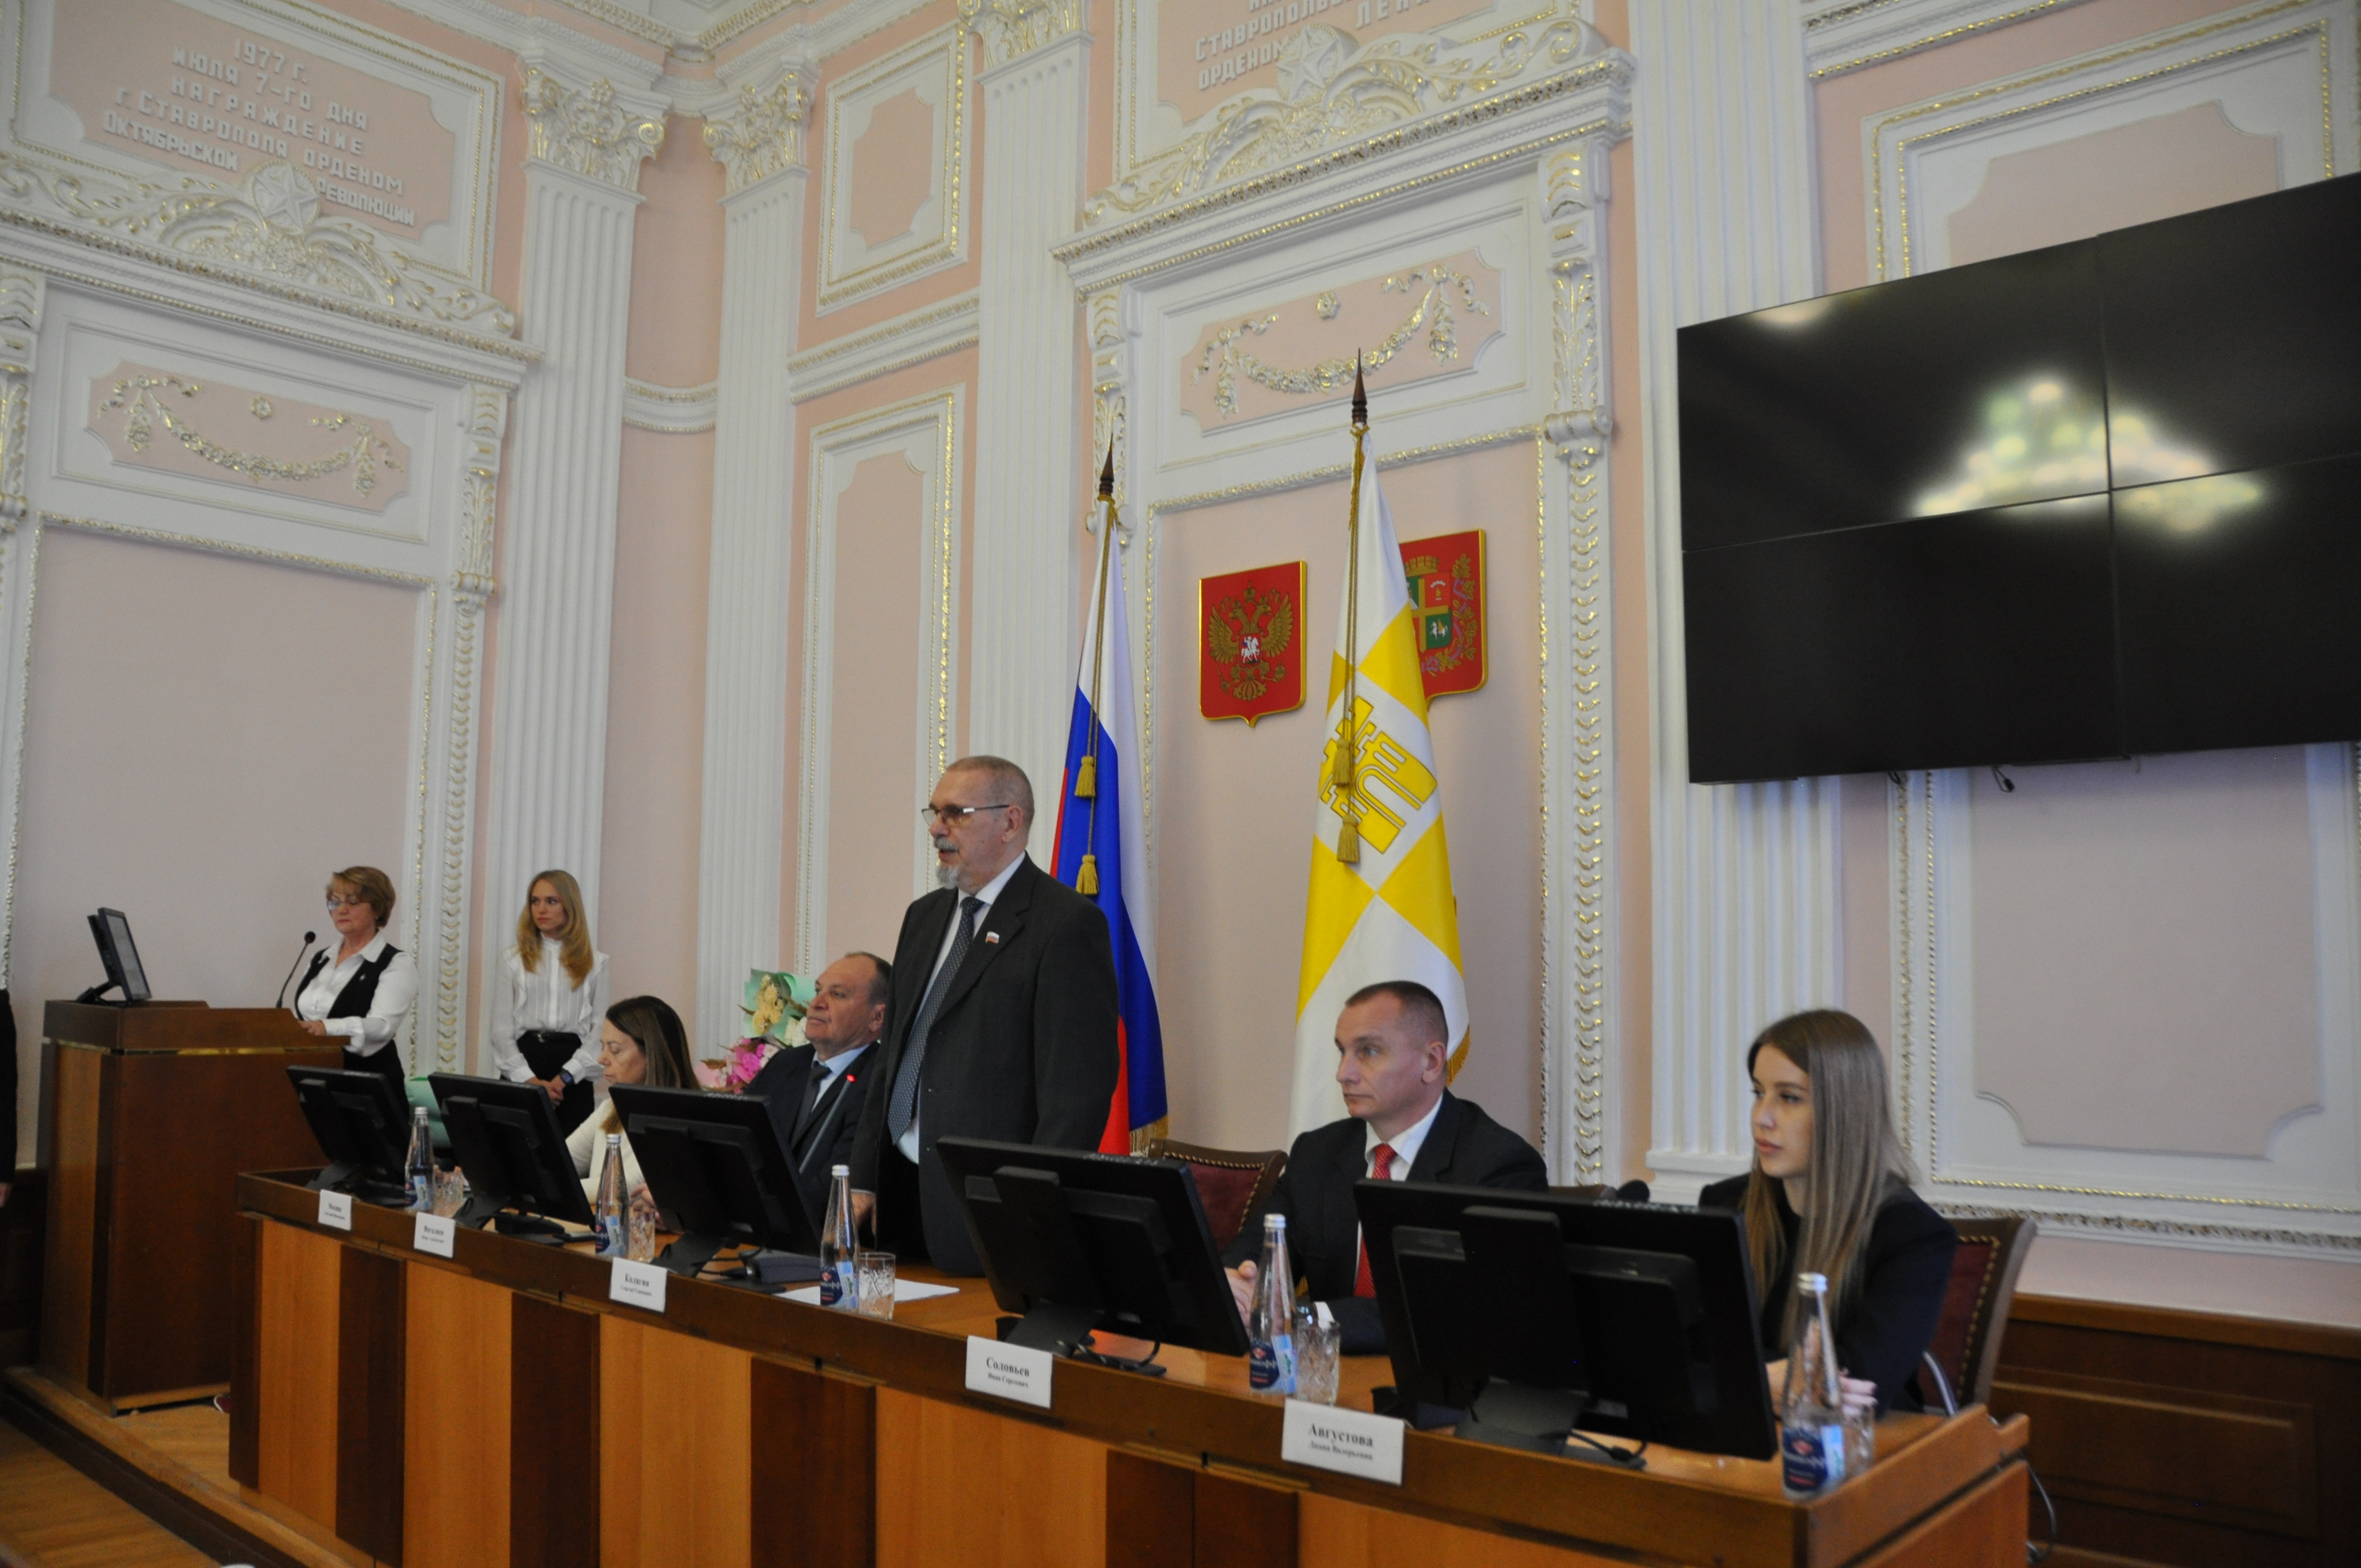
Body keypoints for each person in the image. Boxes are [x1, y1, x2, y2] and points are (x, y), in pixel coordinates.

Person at [848, 755, 1119, 1275]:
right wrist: (863, 1179)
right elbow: (893, 1059)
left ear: (1010, 822)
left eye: (955, 813)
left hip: (988, 1214)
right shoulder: (923, 917)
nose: (936, 828)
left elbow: (1075, 1098)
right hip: (898, 1198)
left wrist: (1029, 1213)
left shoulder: (1065, 924)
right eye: (934, 812)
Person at [1223, 980, 1548, 1354]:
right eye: (1343, 1051)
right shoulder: (1318, 1152)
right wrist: (1237, 1285)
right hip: (1327, 1375)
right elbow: (1253, 1255)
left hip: (1439, 1380)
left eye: (1369, 1051)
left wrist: (1301, 1318)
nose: (1343, 1073)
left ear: (1431, 1062)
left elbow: (1446, 1310)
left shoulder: (1498, 1167)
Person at [1700, 1009, 1957, 1415]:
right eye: (1758, 1093)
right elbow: (1693, 1352)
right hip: (1740, 1432)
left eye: (1789, 1097)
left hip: (1863, 1445)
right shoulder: (1726, 1205)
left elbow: (1857, 1384)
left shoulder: (1912, 1233)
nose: (1761, 1117)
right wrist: (1769, 1382)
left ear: (1844, 1111)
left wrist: (1736, 1379)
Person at [746, 952, 888, 1226]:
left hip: (817, 1236)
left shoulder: (879, 1082)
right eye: (818, 991)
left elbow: (836, 1185)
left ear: (877, 1017)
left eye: (838, 995)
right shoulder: (784, 1064)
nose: (817, 1004)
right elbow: (740, 1143)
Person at [488, 870, 610, 1136]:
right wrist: (529, 1080)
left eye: (551, 901)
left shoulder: (596, 963)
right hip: (524, 1062)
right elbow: (500, 1030)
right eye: (535, 901)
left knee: (570, 1152)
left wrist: (565, 1078)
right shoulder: (512, 960)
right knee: (517, 1148)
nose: (541, 909)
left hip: (573, 1069)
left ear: (569, 906)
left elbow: (600, 1030)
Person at [567, 995, 698, 1206]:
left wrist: (552, 1187)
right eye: (603, 1047)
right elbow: (559, 1163)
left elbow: (623, 1187)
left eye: (615, 1050)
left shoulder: (680, 1118)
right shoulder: (610, 1107)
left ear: (652, 1054)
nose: (602, 1059)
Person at [292, 867, 419, 1086]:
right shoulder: (320, 958)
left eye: (352, 902)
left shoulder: (396, 963)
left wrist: (326, 1028)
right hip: (314, 1079)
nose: (342, 910)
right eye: (335, 902)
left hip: (366, 1086)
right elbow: (303, 1017)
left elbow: (382, 1026)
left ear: (377, 909)